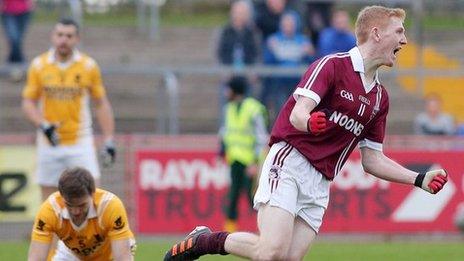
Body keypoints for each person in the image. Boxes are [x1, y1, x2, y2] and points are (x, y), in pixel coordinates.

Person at [163, 6, 449, 261]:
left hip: (320, 182)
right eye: (399, 31)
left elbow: (372, 159)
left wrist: (419, 179)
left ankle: (205, 239)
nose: (404, 40)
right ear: (376, 33)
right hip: (290, 161)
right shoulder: (333, 66)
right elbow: (299, 112)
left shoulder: (379, 99)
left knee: (286, 258)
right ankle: (204, 241)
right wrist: (309, 122)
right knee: (271, 252)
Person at [21, 18, 116, 201]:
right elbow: (28, 103)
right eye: (60, 35)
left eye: (69, 36)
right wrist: (43, 124)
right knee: (49, 201)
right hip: (50, 142)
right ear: (53, 37)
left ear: (77, 39)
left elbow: (101, 103)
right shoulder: (39, 65)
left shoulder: (88, 66)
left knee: (91, 197)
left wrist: (109, 139)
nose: (63, 40)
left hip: (80, 141)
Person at [28, 167, 136, 260]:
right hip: (71, 253)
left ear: (92, 193)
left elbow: (122, 257)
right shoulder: (50, 210)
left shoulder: (110, 206)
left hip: (110, 253)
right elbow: (36, 258)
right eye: (69, 205)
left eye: (82, 205)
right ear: (61, 196)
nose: (75, 211)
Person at [219, 76, 268, 232]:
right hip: (235, 159)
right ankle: (228, 233)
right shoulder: (229, 108)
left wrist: (255, 162)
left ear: (235, 90)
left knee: (253, 198)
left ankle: (268, 229)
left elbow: (261, 137)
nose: (226, 92)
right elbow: (226, 132)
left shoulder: (254, 109)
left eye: (229, 88)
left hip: (250, 162)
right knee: (232, 196)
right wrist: (222, 150)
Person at [261, 10, 315, 124]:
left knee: (296, 111)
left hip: (298, 84)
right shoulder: (273, 39)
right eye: (286, 24)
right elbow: (267, 62)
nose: (288, 26)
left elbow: (312, 63)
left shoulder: (303, 40)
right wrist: (271, 50)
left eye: (291, 24)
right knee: (280, 111)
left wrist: (310, 53)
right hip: (278, 84)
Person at [1, 0, 33, 65]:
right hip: (8, 12)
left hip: (24, 12)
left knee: (18, 39)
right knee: (14, 38)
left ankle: (11, 59)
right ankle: (20, 59)